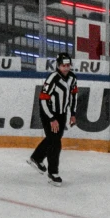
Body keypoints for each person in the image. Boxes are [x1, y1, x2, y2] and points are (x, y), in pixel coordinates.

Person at [30, 51, 76, 180]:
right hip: (48, 113)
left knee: (53, 138)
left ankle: (37, 157)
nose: (66, 68)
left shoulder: (72, 77)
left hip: (62, 114)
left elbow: (73, 96)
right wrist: (51, 118)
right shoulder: (52, 78)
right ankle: (53, 172)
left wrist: (73, 113)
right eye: (63, 66)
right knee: (55, 143)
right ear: (58, 66)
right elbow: (43, 99)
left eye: (68, 65)